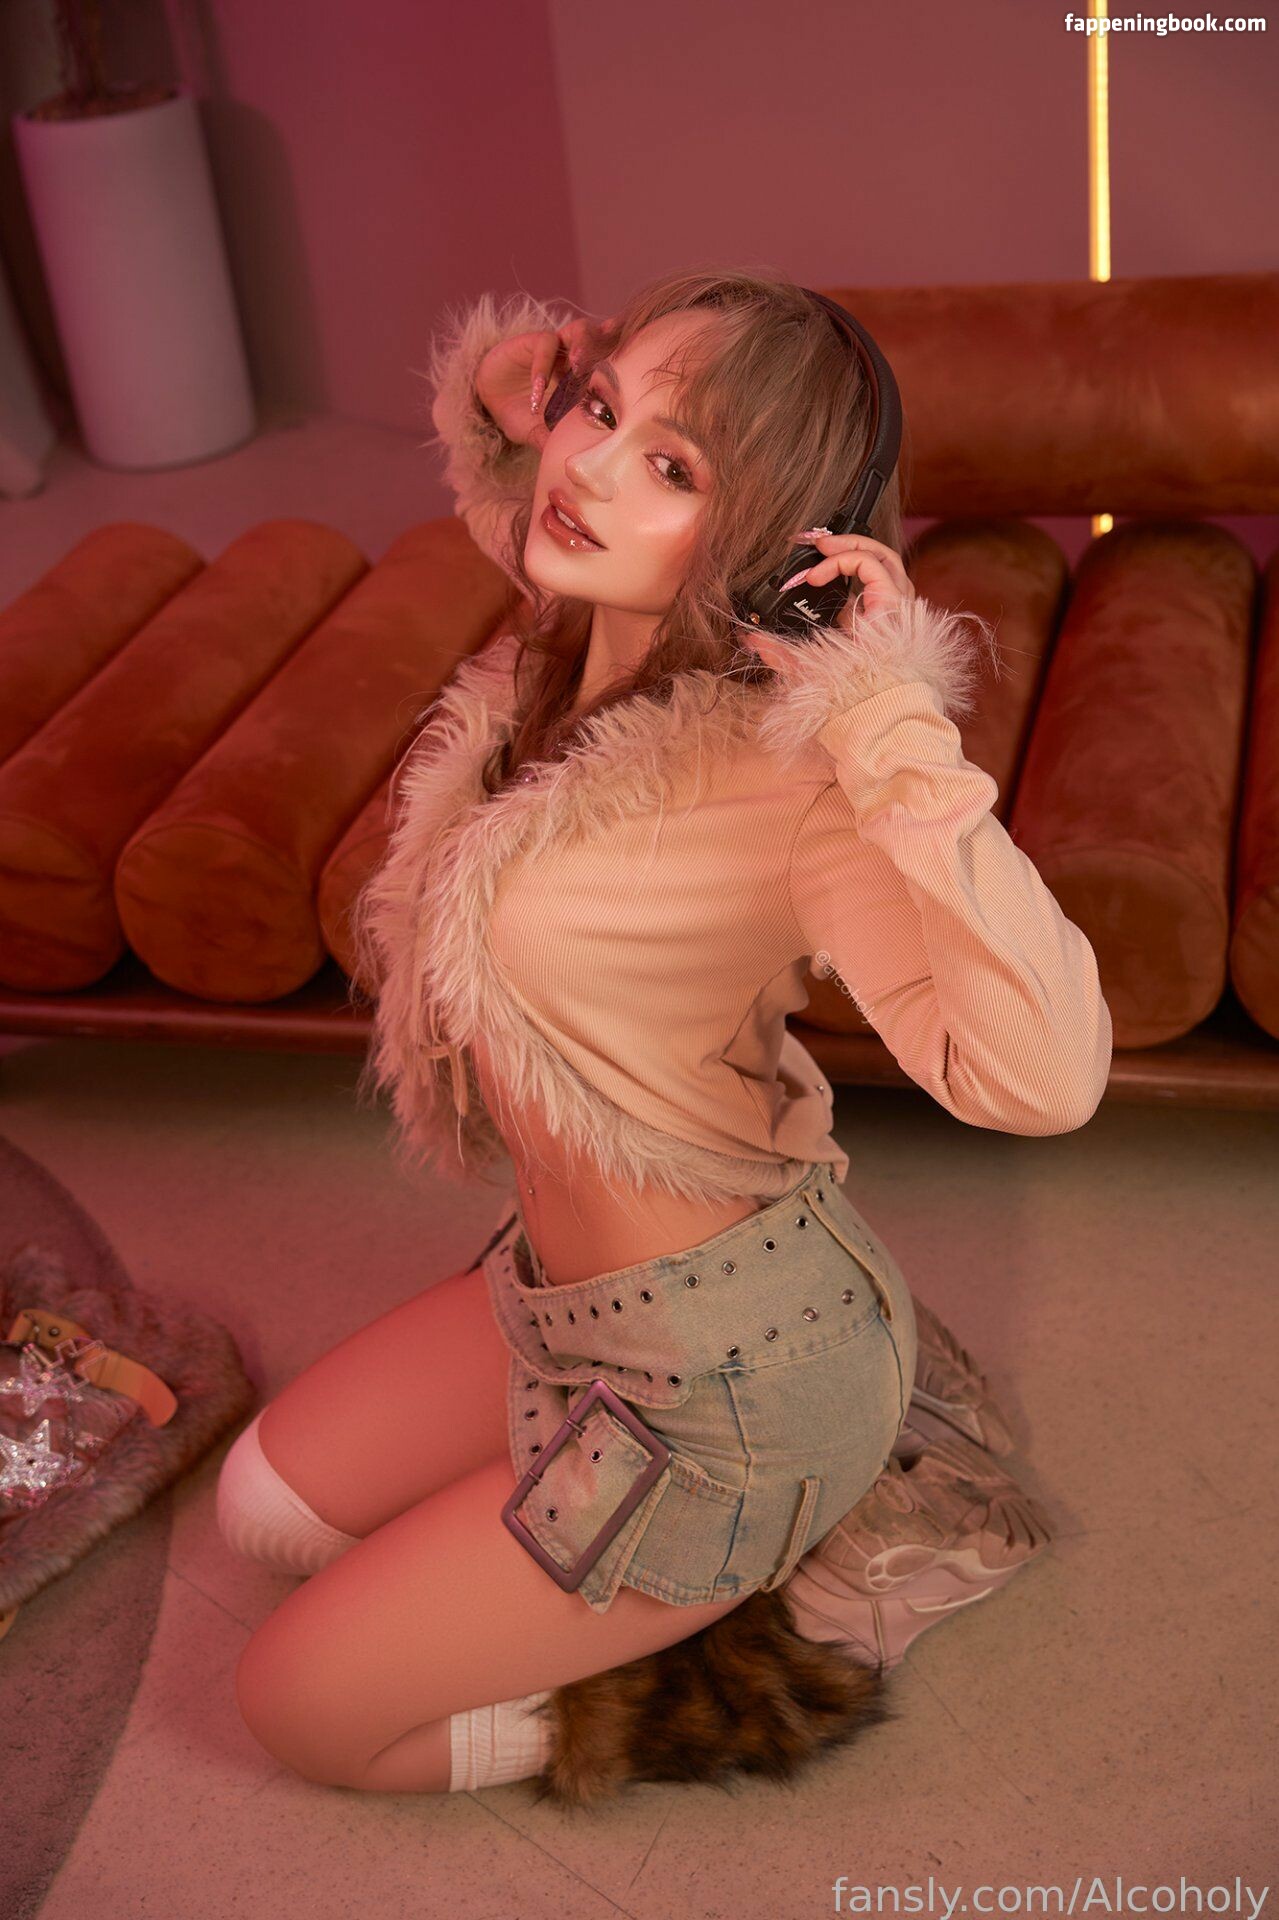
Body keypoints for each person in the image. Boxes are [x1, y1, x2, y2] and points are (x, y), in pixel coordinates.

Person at [216, 269, 1112, 1803]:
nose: (590, 469)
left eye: (675, 467)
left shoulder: (799, 780)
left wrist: (888, 719)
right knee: (263, 1510)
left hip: (724, 1390)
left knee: (301, 1710)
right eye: (600, 410)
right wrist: (518, 397)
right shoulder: (576, 644)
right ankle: (602, 1564)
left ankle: (695, 1658)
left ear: (773, 551)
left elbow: (1046, 1078)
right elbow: (530, 473)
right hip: (552, 1301)